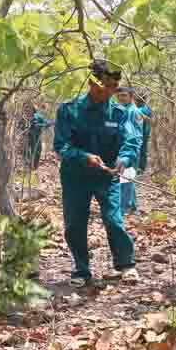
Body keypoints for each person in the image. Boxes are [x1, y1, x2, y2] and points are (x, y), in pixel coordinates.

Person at [54, 60, 141, 287]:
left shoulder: (120, 113)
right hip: (75, 177)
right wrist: (84, 157)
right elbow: (61, 145)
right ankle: (81, 270)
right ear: (92, 82)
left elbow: (131, 141)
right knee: (74, 223)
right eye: (102, 85)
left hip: (107, 176)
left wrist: (124, 158)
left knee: (114, 220)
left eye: (113, 86)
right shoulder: (69, 110)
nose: (107, 91)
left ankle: (126, 265)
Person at [115, 87, 142, 215]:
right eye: (119, 95)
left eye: (124, 95)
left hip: (130, 150)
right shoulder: (120, 110)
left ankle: (125, 208)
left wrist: (131, 152)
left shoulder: (134, 112)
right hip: (121, 148)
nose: (121, 98)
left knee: (126, 178)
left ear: (131, 97)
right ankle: (132, 206)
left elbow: (136, 135)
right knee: (127, 178)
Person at [20, 102, 51, 170]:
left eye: (29, 107)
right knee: (25, 152)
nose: (27, 109)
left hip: (37, 137)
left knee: (37, 151)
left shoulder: (38, 116)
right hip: (26, 137)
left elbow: (47, 123)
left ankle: (34, 167)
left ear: (33, 109)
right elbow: (19, 127)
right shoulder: (22, 117)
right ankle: (28, 165)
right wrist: (24, 129)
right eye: (25, 107)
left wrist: (39, 125)